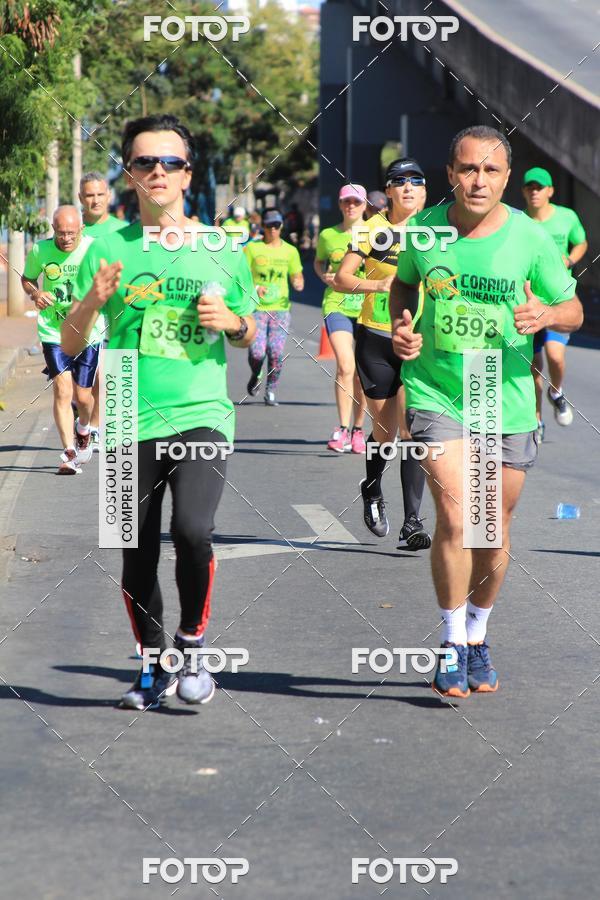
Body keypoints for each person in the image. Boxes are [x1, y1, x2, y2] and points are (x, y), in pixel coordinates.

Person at [63, 113, 256, 709]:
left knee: (193, 530)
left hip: (201, 409)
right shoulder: (106, 248)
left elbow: (248, 333)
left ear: (188, 174)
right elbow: (70, 343)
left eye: (170, 162)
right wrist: (91, 302)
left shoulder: (221, 247)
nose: (158, 172)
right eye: (144, 162)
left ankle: (192, 643)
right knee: (136, 547)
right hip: (125, 403)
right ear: (129, 174)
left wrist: (233, 323)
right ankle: (153, 663)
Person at [391, 125, 583, 697]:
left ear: (506, 178)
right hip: (437, 389)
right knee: (456, 516)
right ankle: (451, 642)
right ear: (450, 174)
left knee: (491, 528)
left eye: (491, 170)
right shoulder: (424, 230)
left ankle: (477, 633)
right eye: (468, 169)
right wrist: (402, 324)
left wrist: (546, 315)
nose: (479, 181)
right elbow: (403, 287)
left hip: (504, 395)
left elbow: (572, 308)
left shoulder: (530, 238)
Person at [334, 159, 431, 551]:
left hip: (418, 342)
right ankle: (372, 487)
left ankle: (412, 521)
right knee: (386, 434)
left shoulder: (435, 231)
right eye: (399, 181)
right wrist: (377, 286)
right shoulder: (371, 230)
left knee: (411, 429)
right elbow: (342, 278)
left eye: (415, 181)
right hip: (376, 338)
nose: (408, 187)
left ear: (425, 191)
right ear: (388, 191)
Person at [22, 206, 101, 474]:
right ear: (53, 229)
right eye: (60, 233)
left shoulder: (94, 249)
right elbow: (28, 279)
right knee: (62, 389)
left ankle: (84, 428)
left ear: (81, 229)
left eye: (71, 233)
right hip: (53, 331)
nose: (66, 238)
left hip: (88, 329)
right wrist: (36, 294)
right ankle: (69, 453)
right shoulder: (40, 250)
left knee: (84, 396)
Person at [522, 167, 587, 439]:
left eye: (539, 187)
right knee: (533, 364)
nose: (534, 192)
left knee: (555, 356)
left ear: (550, 191)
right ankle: (536, 421)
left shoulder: (566, 217)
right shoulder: (520, 222)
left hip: (559, 298)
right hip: (530, 300)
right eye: (530, 187)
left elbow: (581, 242)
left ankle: (556, 392)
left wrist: (570, 260)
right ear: (523, 191)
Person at [314, 184, 368, 453]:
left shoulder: (378, 234)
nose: (351, 206)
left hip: (368, 308)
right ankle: (343, 429)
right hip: (337, 304)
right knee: (346, 366)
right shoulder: (328, 235)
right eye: (346, 201)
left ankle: (358, 429)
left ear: (364, 205)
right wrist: (324, 276)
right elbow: (319, 261)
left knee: (362, 373)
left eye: (356, 202)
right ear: (339, 204)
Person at [80, 171, 130, 449]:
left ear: (109, 196)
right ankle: (85, 419)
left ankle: (97, 426)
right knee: (78, 387)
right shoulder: (74, 231)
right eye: (90, 195)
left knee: (104, 373)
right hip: (80, 312)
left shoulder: (124, 231)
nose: (96, 200)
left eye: (100, 194)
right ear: (80, 198)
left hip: (114, 313)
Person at [245, 208, 304, 406]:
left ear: (281, 226)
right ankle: (256, 373)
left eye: (276, 225)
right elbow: (241, 277)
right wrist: (255, 288)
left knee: (276, 351)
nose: (273, 229)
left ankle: (271, 389)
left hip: (280, 309)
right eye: (269, 225)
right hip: (256, 309)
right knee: (257, 353)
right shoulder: (252, 249)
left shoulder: (290, 251)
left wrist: (298, 282)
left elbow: (297, 276)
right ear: (263, 226)